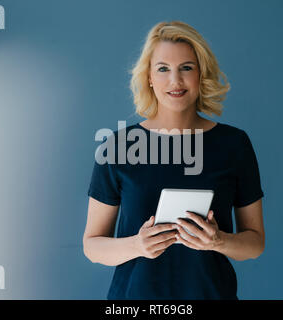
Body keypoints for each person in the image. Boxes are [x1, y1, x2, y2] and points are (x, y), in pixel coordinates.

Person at [83, 21, 265, 300]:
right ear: (149, 78)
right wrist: (138, 246)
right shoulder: (118, 146)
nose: (175, 81)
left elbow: (255, 243)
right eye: (163, 69)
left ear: (200, 74)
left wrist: (219, 241)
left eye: (186, 68)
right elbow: (92, 246)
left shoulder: (234, 144)